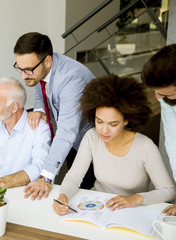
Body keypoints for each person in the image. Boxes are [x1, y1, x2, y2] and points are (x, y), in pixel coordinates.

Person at [53, 75, 176, 216]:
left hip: (131, 211)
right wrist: (63, 196)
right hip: (95, 207)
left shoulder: (145, 147)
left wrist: (135, 199)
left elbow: (169, 191)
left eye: (113, 124)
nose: (103, 130)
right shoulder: (92, 137)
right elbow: (74, 176)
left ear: (126, 120)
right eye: (99, 121)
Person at [13, 32, 95, 200]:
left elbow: (66, 131)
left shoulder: (72, 78)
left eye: (28, 70)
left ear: (47, 61)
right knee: (74, 190)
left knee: (86, 195)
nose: (23, 76)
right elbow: (39, 90)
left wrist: (45, 177)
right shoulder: (40, 70)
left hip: (95, 142)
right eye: (20, 69)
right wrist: (40, 109)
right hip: (74, 141)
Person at [142, 44, 176, 216]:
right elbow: (172, 141)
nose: (157, 98)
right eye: (156, 91)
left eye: (165, 94)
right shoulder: (167, 100)